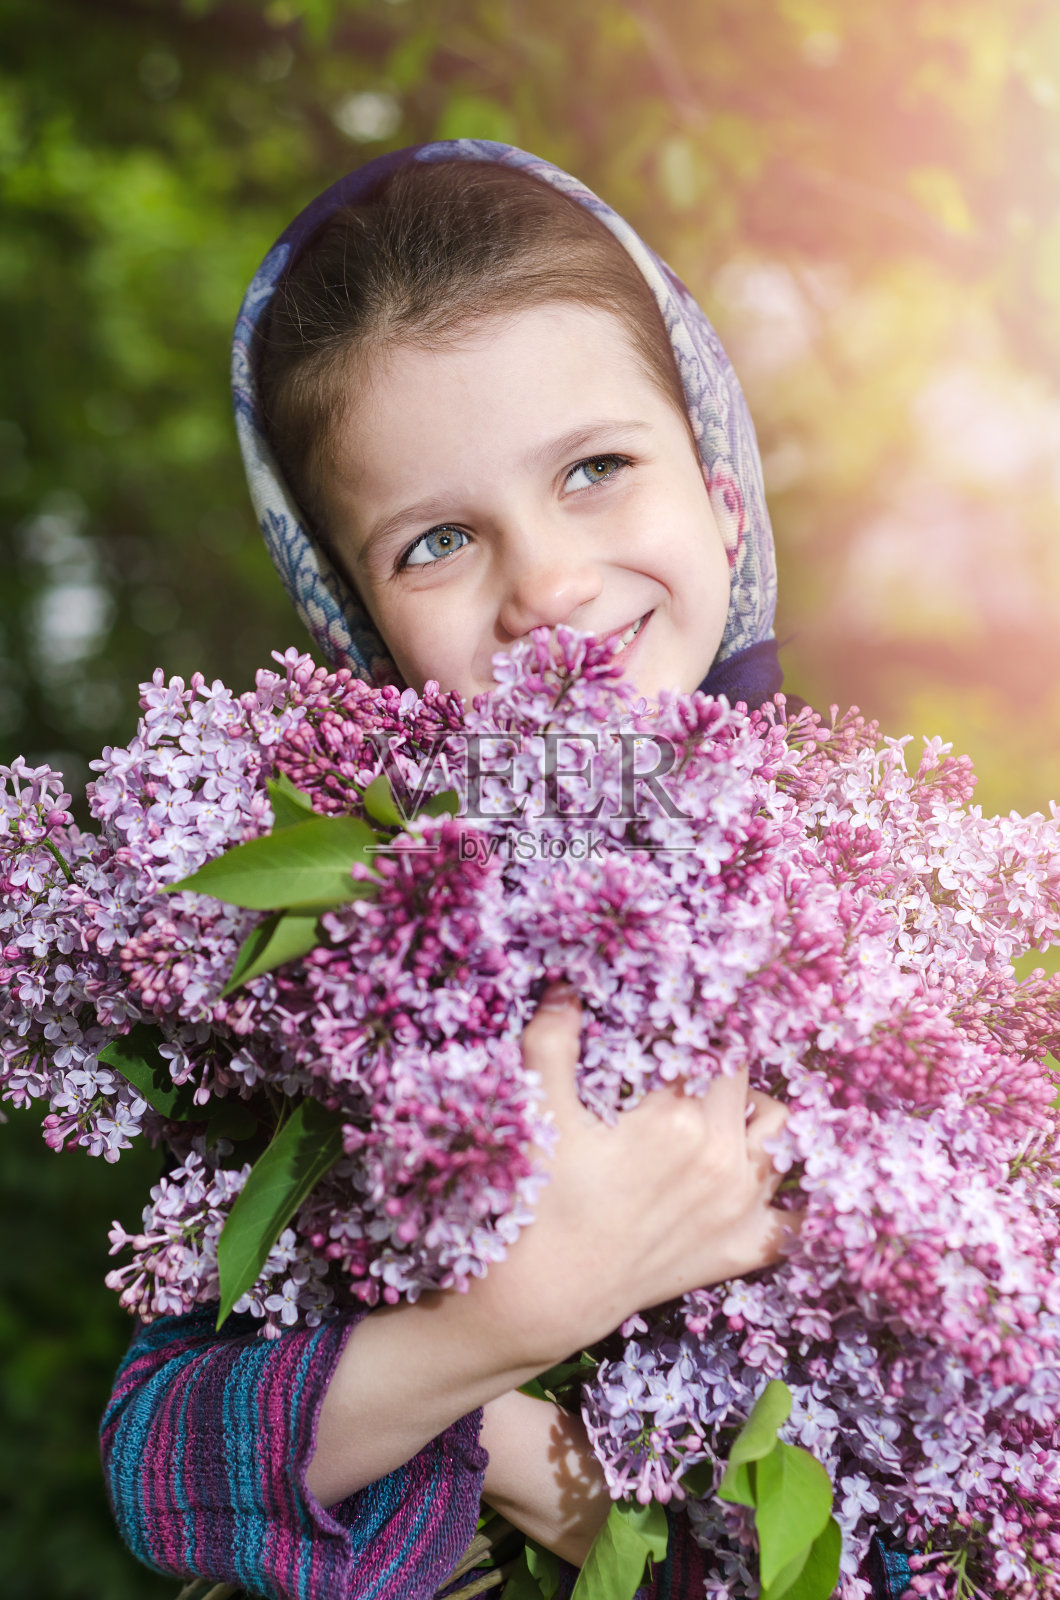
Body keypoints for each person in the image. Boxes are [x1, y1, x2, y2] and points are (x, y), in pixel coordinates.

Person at [101, 141, 909, 1600]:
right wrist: (514, 1323)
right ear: (361, 631)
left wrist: (589, 1502)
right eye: (440, 541)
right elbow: (163, 1468)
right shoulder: (351, 958)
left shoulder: (913, 914)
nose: (545, 586)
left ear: (723, 496)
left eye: (596, 468)